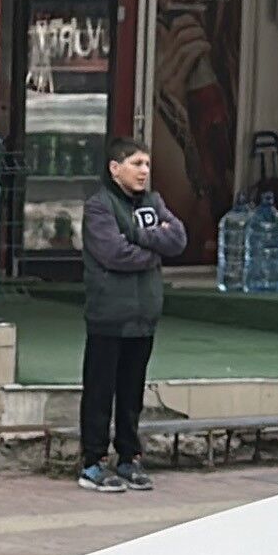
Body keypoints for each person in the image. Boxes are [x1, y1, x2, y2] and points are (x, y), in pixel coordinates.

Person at [78, 138, 188, 493]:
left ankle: (129, 458)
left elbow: (179, 239)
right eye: (136, 163)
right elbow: (113, 253)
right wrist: (154, 252)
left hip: (144, 317)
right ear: (115, 168)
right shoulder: (99, 206)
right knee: (100, 391)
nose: (144, 171)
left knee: (131, 393)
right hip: (109, 314)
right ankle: (92, 462)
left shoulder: (154, 202)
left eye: (146, 164)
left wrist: (139, 236)